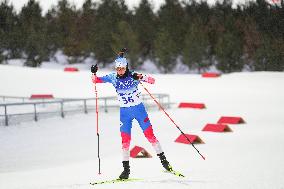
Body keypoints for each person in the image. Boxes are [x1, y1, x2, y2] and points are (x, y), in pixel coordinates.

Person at [91, 49, 172, 179]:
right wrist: (94, 72)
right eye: (118, 69)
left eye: (122, 68)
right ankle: (126, 171)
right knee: (125, 141)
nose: (120, 71)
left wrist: (140, 77)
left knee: (150, 136)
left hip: (139, 111)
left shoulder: (133, 75)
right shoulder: (112, 77)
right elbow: (95, 81)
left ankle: (165, 162)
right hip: (124, 114)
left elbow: (152, 80)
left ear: (126, 67)